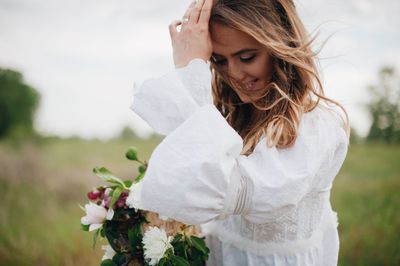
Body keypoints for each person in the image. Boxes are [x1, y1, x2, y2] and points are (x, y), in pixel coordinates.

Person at [129, 0, 349, 265]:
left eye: (247, 57)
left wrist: (189, 72)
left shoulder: (314, 128)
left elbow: (206, 186)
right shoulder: (230, 120)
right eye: (219, 61)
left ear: (279, 45)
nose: (234, 74)